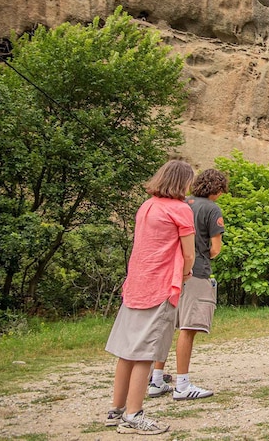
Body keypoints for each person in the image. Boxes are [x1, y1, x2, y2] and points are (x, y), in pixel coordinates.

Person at [104, 160, 196, 435]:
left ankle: (116, 410)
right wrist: (186, 273)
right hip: (160, 286)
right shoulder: (181, 210)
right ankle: (134, 415)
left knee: (127, 352)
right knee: (146, 352)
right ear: (181, 182)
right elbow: (189, 253)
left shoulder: (147, 205)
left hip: (136, 284)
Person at [148, 168, 228, 401]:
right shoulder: (212, 209)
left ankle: (156, 379)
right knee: (188, 327)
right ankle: (182, 384)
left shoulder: (180, 203)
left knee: (165, 325)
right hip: (196, 272)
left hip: (170, 271)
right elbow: (215, 249)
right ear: (217, 189)